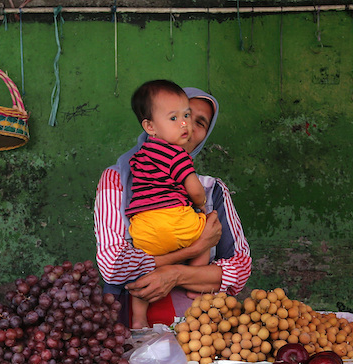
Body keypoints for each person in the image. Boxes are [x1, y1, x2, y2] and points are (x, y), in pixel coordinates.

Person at [94, 86, 252, 328]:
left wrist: (175, 275)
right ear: (155, 123)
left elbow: (240, 270)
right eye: (178, 116)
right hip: (129, 332)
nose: (186, 126)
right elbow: (113, 267)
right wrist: (195, 249)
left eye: (199, 122)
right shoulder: (117, 180)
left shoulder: (213, 189)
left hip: (200, 331)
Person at [124, 80, 212, 328]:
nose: (185, 124)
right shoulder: (177, 154)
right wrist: (201, 204)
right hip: (176, 220)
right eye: (174, 118)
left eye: (187, 116)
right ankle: (196, 290)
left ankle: (139, 318)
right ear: (150, 126)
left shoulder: (139, 156)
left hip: (144, 227)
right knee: (206, 232)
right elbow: (194, 188)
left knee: (143, 270)